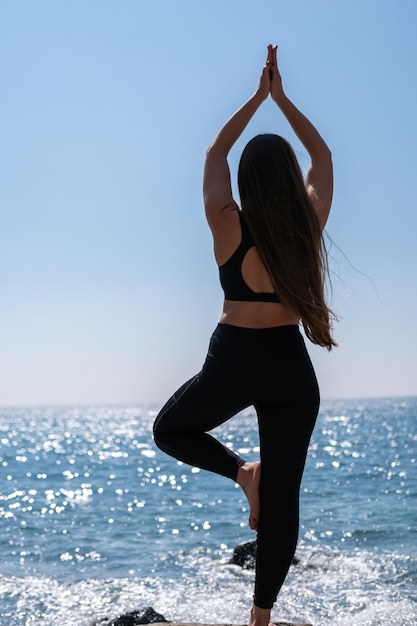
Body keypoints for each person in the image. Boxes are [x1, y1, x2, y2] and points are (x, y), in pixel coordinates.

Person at [153, 44, 336, 626]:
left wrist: (257, 98)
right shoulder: (307, 225)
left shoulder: (225, 222)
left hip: (233, 356)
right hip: (288, 364)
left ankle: (240, 473)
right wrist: (283, 101)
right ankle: (261, 618)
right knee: (283, 500)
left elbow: (215, 151)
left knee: (171, 429)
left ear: (249, 181)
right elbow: (323, 155)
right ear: (284, 178)